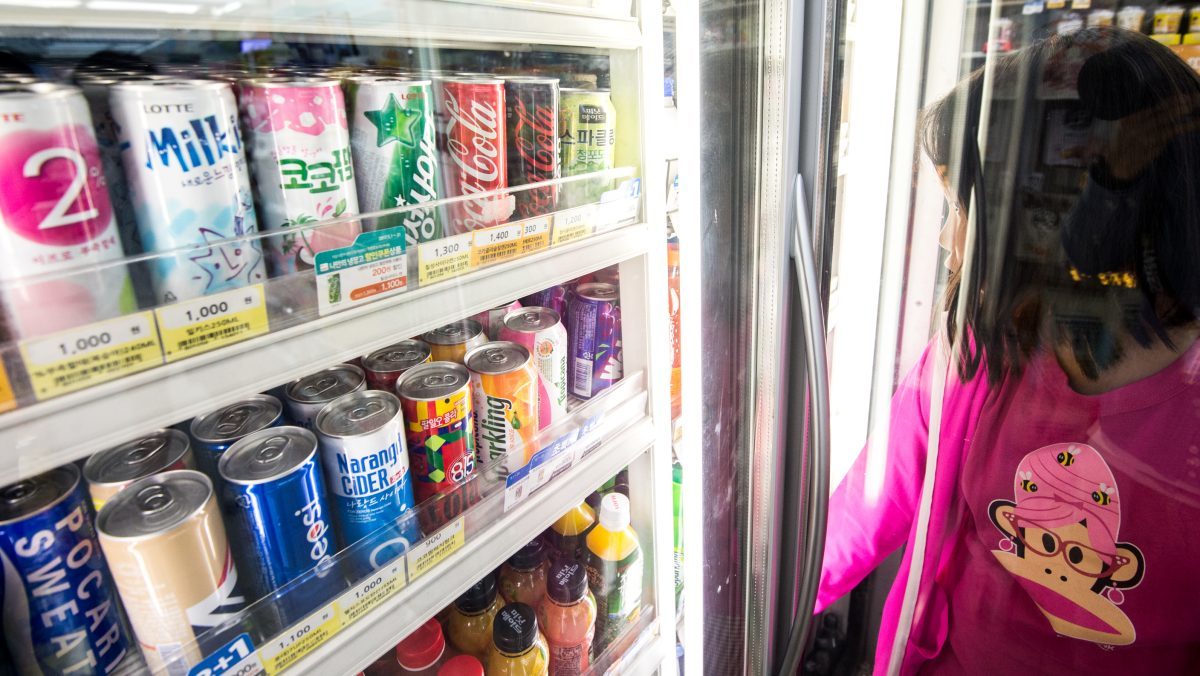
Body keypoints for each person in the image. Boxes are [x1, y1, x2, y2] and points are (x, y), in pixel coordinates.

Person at [817, 27, 1200, 674]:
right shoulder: (985, 348)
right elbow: (874, 499)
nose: (947, 237)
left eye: (960, 206)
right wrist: (771, 603)